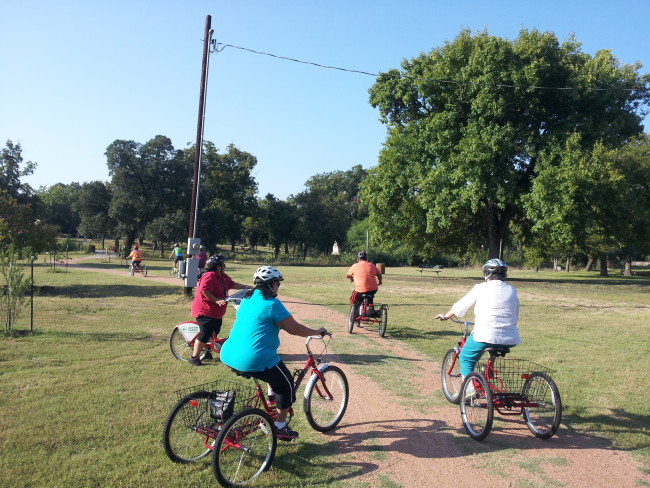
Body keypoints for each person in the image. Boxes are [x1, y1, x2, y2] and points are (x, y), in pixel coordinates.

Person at [220, 266, 327, 441]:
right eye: (278, 284)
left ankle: (271, 399)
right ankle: (280, 427)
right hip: (252, 359)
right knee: (286, 386)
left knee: (273, 368)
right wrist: (316, 332)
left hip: (228, 353)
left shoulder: (246, 298)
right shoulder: (271, 304)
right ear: (273, 284)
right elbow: (294, 329)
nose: (278, 287)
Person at [435, 259, 521, 387]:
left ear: (487, 274)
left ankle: (469, 391)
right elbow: (516, 312)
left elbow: (461, 305)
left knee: (465, 357)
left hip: (486, 334)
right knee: (493, 344)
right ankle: (490, 365)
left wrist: (446, 316)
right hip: (511, 336)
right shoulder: (512, 290)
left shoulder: (481, 288)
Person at [189, 255, 249, 366]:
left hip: (216, 312)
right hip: (205, 310)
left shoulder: (223, 277)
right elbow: (204, 290)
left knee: (214, 333)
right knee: (205, 334)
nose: (225, 267)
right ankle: (194, 358)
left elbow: (232, 284)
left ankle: (207, 352)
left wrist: (245, 287)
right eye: (223, 265)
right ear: (218, 267)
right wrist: (216, 300)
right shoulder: (210, 276)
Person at [346, 251, 382, 316]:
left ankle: (355, 315)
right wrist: (380, 281)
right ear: (366, 258)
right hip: (373, 289)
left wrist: (351, 279)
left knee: (354, 299)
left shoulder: (355, 265)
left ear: (358, 258)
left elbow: (348, 275)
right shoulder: (372, 265)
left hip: (360, 290)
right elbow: (379, 275)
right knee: (370, 295)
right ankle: (371, 308)